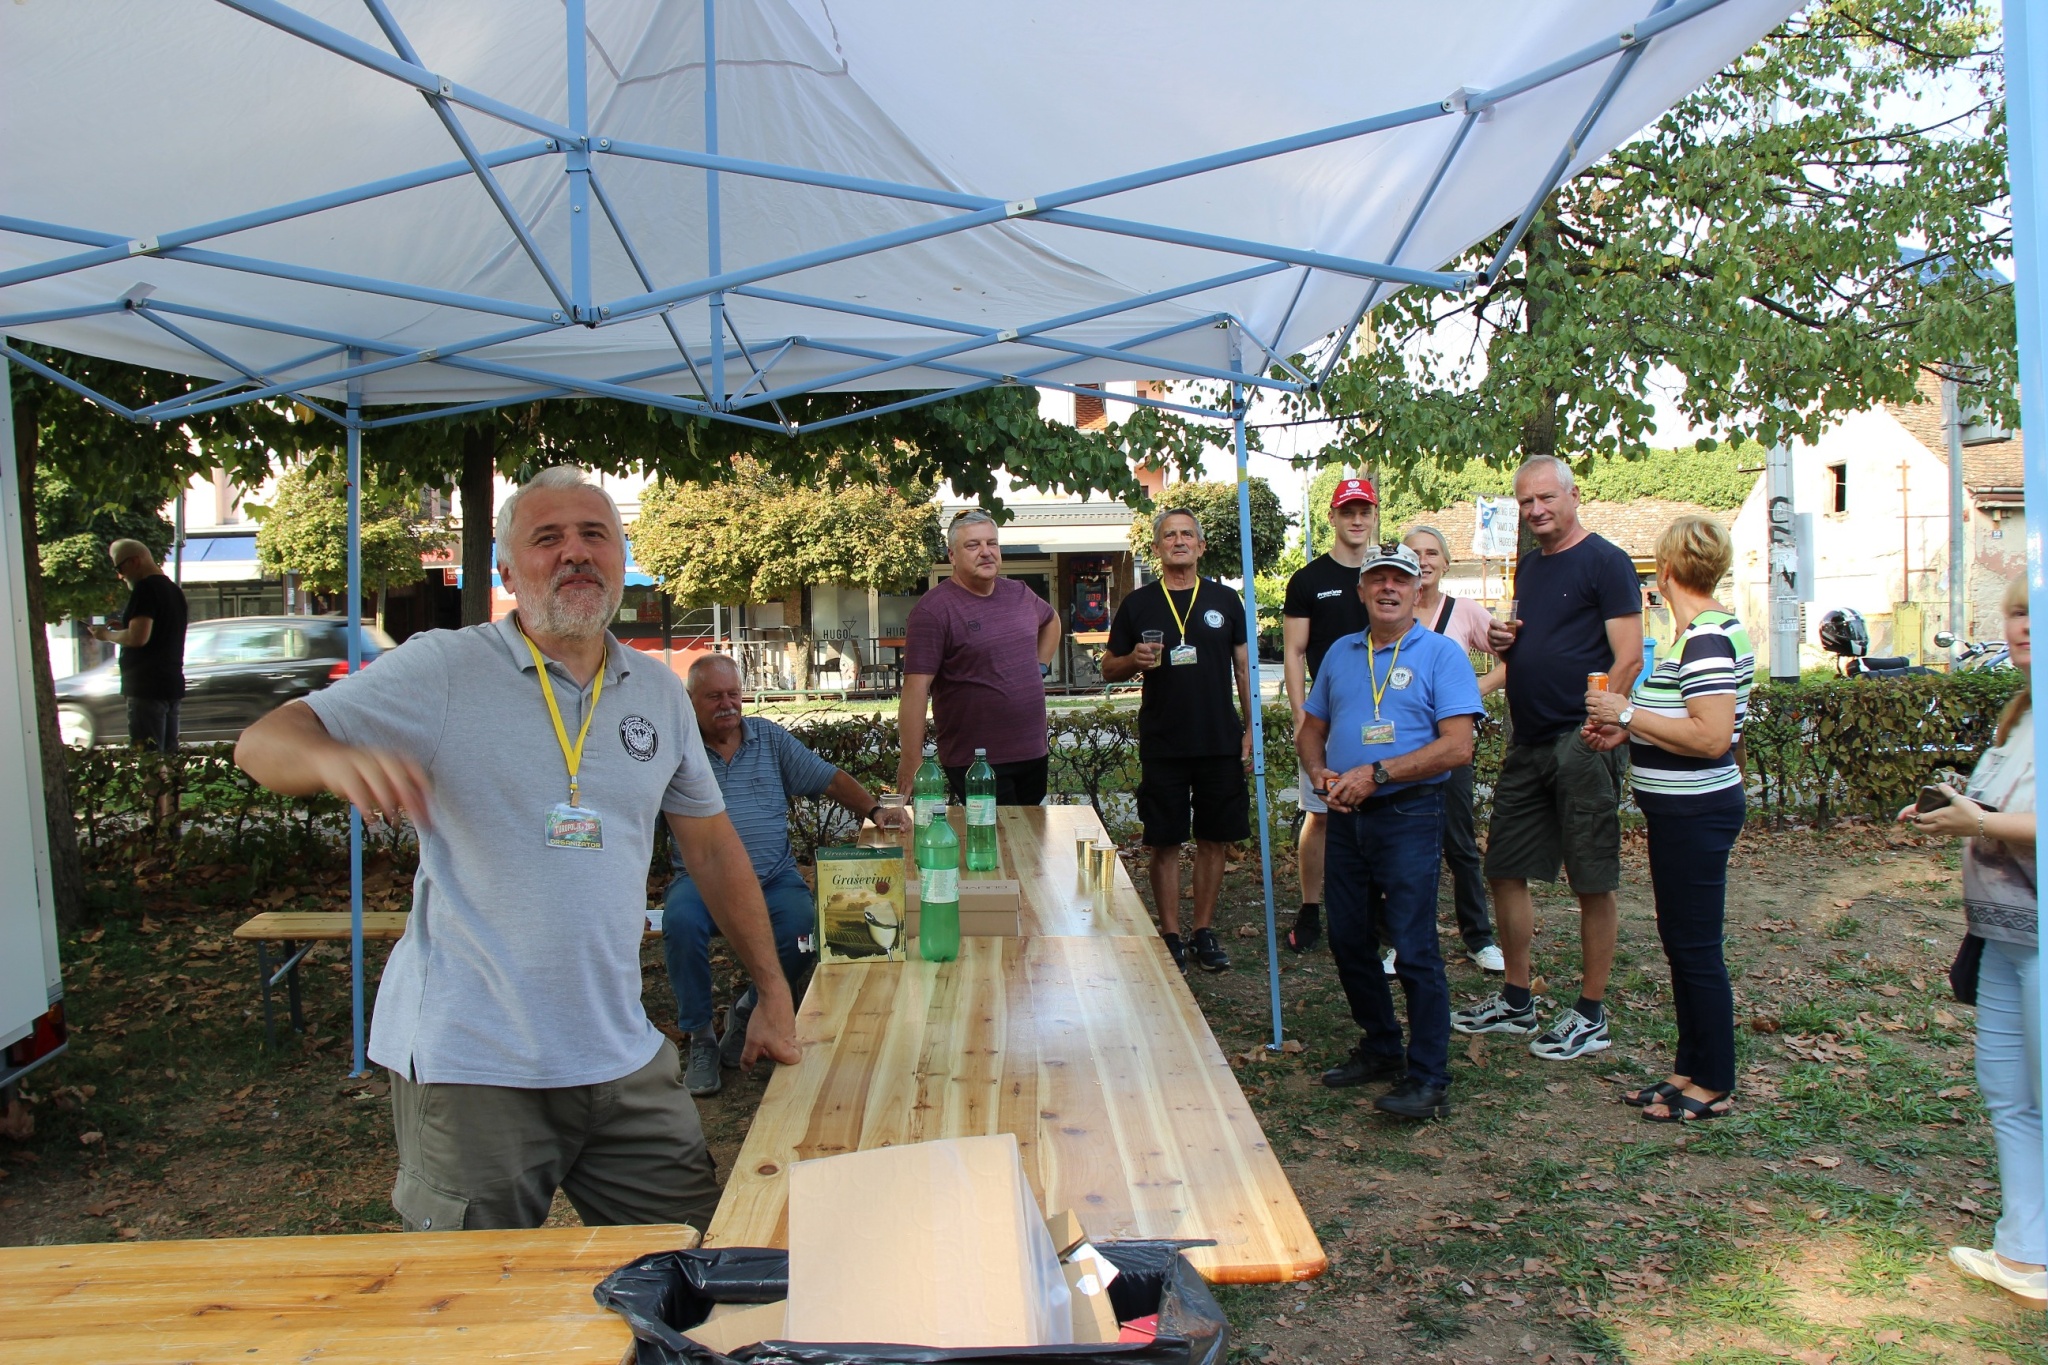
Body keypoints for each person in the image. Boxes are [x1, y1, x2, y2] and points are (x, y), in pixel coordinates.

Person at [234, 466, 800, 1233]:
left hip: (620, 1052)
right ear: (506, 572)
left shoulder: (660, 691)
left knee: (692, 1263)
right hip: (475, 1064)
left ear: (621, 557)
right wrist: (330, 758)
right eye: (547, 537)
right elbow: (264, 742)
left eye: (594, 534)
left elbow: (712, 847)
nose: (575, 551)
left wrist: (771, 990)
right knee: (474, 1294)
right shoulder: (445, 667)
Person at [1455, 456, 1644, 1061]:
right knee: (1504, 866)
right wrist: (1507, 640)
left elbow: (1629, 656)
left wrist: (1601, 722)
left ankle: (1591, 1013)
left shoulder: (1607, 561)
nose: (1535, 510)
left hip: (1580, 740)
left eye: (1545, 498)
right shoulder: (1532, 565)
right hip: (1529, 740)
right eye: (1525, 502)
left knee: (1591, 878)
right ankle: (1517, 1000)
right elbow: (1533, 643)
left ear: (1573, 495)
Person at [1297, 542, 1483, 1119]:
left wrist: (1378, 773)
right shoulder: (1340, 652)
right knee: (1349, 938)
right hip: (1345, 815)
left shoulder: (1441, 654)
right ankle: (1381, 1045)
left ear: (1417, 590)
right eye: (1377, 579)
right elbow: (1311, 728)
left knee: (1413, 945)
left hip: (1409, 814)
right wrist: (1318, 770)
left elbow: (1458, 746)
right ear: (1361, 591)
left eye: (1399, 580)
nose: (1388, 588)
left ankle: (1429, 1077)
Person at [665, 653, 908, 1096]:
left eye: (733, 694)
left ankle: (751, 1009)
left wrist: (875, 811)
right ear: (690, 700)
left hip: (773, 879)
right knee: (679, 923)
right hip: (702, 881)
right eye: (714, 696)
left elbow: (829, 779)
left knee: (804, 927)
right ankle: (700, 1038)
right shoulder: (677, 748)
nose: (727, 704)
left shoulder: (768, 740)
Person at [1898, 575, 2041, 1307]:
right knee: (2008, 1095)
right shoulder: (2021, 713)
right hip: (1999, 934)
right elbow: (1997, 809)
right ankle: (2025, 1252)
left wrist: (1978, 822)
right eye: (2016, 612)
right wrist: (1953, 811)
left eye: (2037, 613)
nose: (2023, 626)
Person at [1582, 516, 1751, 1123]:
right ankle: (1688, 1069)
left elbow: (1711, 737)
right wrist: (1626, 733)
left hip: (1696, 813)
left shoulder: (1705, 639)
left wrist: (1626, 713)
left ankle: (1714, 1081)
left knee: (1696, 948)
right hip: (1681, 812)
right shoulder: (1698, 635)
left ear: (1668, 570)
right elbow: (1683, 724)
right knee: (1682, 943)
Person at [1102, 508, 1251, 974]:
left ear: (1201, 546)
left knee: (1213, 839)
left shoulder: (1226, 600)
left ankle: (1203, 930)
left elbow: (1243, 668)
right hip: (1164, 741)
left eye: (1188, 534)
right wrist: (1134, 660)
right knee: (1164, 841)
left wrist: (1251, 728)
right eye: (1170, 535)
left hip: (1218, 740)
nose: (1179, 541)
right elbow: (1108, 668)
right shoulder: (1138, 603)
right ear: (1157, 548)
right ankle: (1170, 934)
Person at [895, 510, 1061, 804]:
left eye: (991, 543)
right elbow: (915, 688)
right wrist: (911, 760)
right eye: (973, 545)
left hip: (1032, 751)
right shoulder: (933, 610)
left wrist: (1041, 666)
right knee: (997, 833)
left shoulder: (1019, 594)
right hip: (976, 762)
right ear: (952, 556)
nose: (986, 552)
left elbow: (1051, 621)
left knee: (1029, 830)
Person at [1403, 524, 1506, 974]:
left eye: (1432, 553)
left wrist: (1468, 692)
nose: (1423, 560)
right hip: (1400, 749)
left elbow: (1511, 659)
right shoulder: (1391, 607)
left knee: (1460, 843)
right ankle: (1399, 939)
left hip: (1450, 748)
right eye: (1414, 553)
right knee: (1401, 847)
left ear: (1446, 563)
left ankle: (1479, 937)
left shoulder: (1463, 612)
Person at [1281, 476, 1379, 953]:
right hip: (1327, 718)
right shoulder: (1309, 580)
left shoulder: (1387, 574)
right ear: (1332, 517)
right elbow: (1294, 652)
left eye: (1364, 511)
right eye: (1347, 512)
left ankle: (1376, 909)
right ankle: (1311, 908)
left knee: (1382, 812)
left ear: (1374, 516)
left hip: (1383, 714)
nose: (1356, 520)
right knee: (1319, 814)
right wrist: (1301, 716)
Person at [88, 538, 187, 752]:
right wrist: (124, 627)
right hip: (170, 684)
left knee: (149, 758)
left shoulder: (145, 588)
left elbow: (137, 637)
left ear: (134, 561)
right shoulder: (173, 590)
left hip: (146, 687)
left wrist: (106, 635)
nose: (120, 575)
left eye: (119, 568)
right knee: (169, 756)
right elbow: (160, 631)